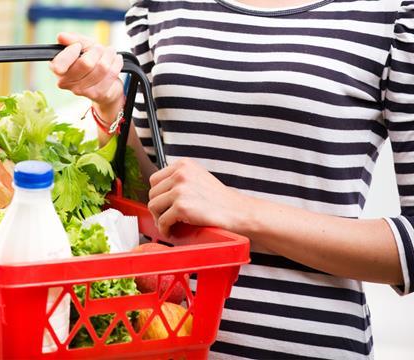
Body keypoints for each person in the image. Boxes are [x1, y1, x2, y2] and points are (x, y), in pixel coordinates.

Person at [50, 0, 414, 358]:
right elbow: (151, 201)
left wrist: (240, 211)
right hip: (158, 339)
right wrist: (112, 104)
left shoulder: (391, 17)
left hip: (299, 345)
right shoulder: (159, 8)